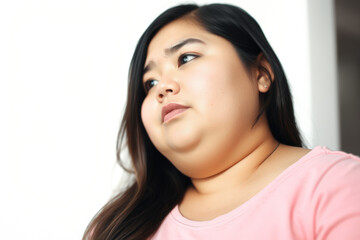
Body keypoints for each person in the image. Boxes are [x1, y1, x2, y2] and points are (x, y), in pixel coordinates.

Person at [83, 3, 360, 240]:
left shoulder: (336, 184)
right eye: (149, 82)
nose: (161, 87)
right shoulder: (116, 228)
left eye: (186, 58)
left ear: (261, 73)